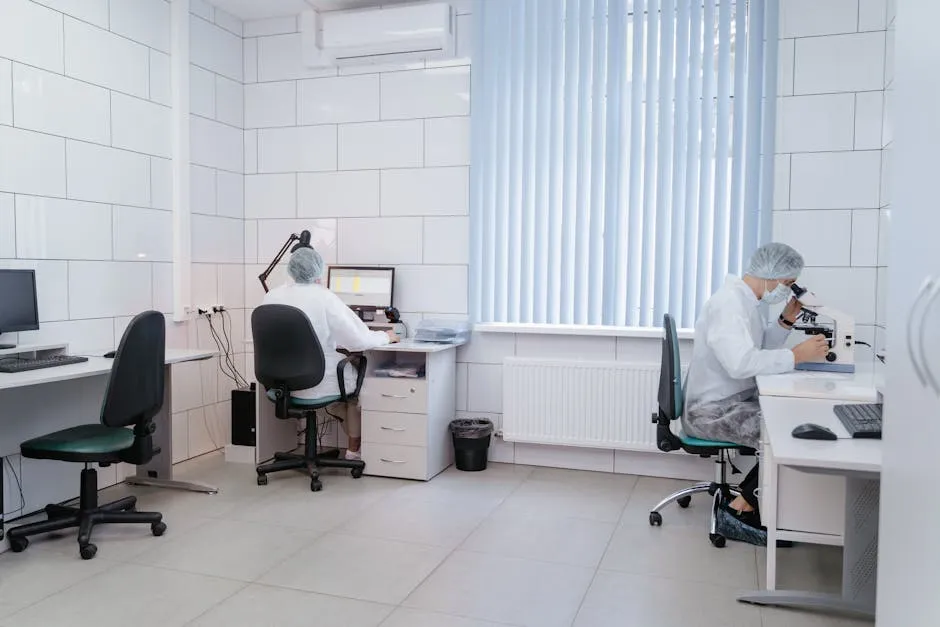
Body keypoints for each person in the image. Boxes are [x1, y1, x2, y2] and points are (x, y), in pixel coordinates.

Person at [682, 242, 829, 539]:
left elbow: (759, 350)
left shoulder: (748, 302)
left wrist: (786, 319)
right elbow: (741, 363)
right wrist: (796, 356)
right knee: (783, 432)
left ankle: (755, 503)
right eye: (787, 284)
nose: (786, 291)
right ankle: (740, 508)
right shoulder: (729, 305)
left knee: (790, 420)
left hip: (731, 401)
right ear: (771, 274)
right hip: (710, 411)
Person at [261, 247, 399, 460]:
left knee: (342, 371)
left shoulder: (271, 296)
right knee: (355, 381)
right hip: (315, 384)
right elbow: (358, 340)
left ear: (291, 269)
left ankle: (347, 444)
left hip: (280, 387)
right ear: (318, 271)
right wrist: (387, 336)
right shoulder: (324, 298)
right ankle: (354, 450)